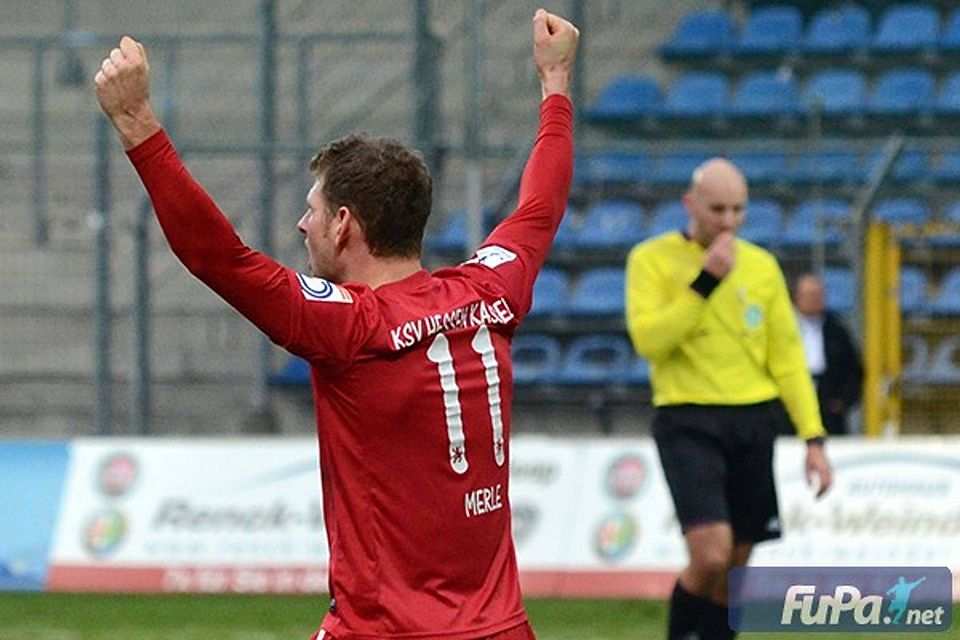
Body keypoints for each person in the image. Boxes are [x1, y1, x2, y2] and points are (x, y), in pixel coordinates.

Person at [94, 10, 579, 640]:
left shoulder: (353, 326)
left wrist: (137, 123)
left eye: (313, 209)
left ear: (344, 224)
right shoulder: (491, 289)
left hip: (385, 629)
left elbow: (219, 258)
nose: (303, 224)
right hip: (501, 627)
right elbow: (541, 205)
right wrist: (555, 83)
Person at [624, 159, 833, 640]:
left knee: (736, 567)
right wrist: (705, 282)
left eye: (738, 209)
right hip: (688, 418)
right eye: (717, 209)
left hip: (754, 419)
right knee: (711, 553)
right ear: (690, 204)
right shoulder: (651, 259)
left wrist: (814, 438)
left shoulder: (761, 266)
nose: (728, 220)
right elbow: (650, 341)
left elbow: (787, 360)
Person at [792, 272, 863, 435]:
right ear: (796, 297)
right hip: (794, 400)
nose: (814, 300)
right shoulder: (784, 327)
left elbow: (853, 369)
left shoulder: (836, 329)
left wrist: (843, 401)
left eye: (818, 295)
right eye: (809, 295)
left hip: (828, 401)